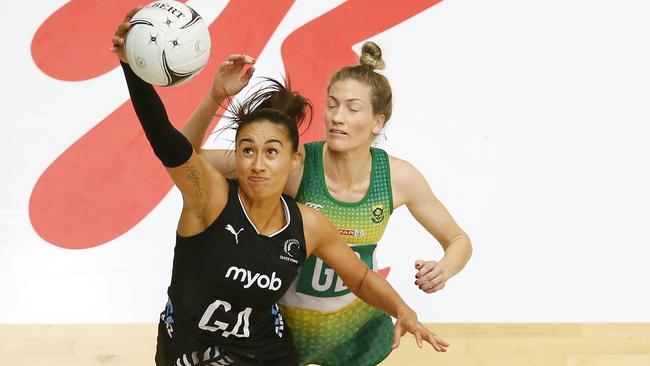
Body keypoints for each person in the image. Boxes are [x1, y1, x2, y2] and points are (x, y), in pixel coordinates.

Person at [111, 8, 448, 366]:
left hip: (266, 352)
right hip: (189, 351)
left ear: (295, 161)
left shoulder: (308, 224)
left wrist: (403, 309)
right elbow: (169, 144)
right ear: (237, 158)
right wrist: (133, 68)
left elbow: (362, 278)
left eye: (271, 152)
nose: (257, 164)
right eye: (247, 151)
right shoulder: (208, 199)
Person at [181, 39, 472, 365]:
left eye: (352, 107)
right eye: (332, 104)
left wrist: (444, 269)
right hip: (287, 329)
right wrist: (215, 97)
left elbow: (459, 240)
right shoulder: (294, 163)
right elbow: (186, 159)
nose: (337, 116)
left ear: (378, 121)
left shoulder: (397, 178)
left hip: (357, 329)